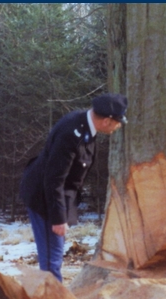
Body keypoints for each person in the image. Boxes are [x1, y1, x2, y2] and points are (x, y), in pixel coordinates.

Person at [19, 93, 128, 282]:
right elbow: (54, 179)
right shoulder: (72, 134)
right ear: (107, 121)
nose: (118, 126)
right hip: (44, 197)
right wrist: (58, 218)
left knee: (55, 256)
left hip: (57, 194)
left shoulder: (84, 125)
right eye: (118, 122)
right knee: (51, 262)